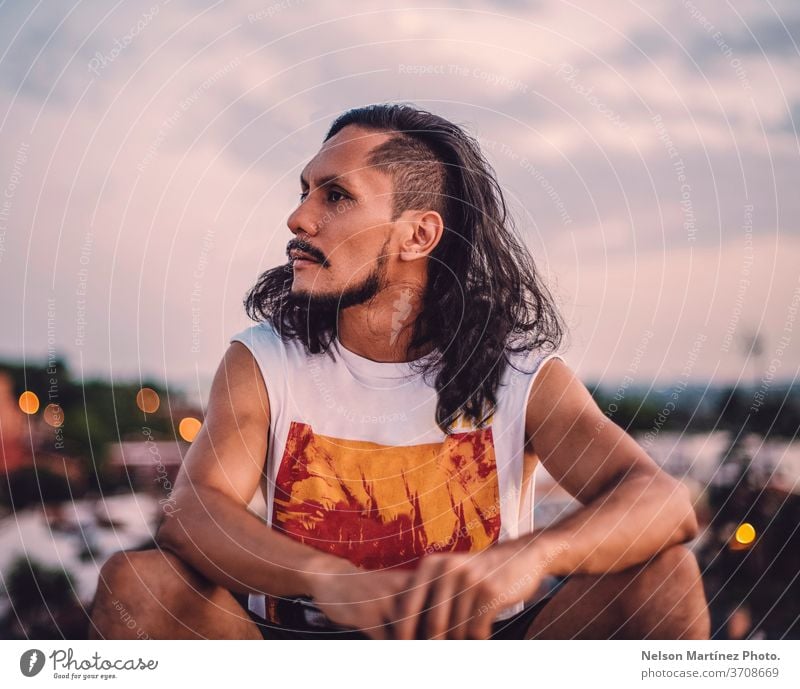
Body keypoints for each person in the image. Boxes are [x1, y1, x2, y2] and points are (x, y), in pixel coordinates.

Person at [89, 103, 710, 640]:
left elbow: (662, 502)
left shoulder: (519, 374)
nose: (299, 219)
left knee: (664, 579)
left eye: (336, 196)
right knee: (138, 584)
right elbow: (192, 514)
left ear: (418, 235)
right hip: (296, 645)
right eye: (304, 191)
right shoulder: (263, 359)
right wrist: (327, 578)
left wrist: (530, 557)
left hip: (478, 648)